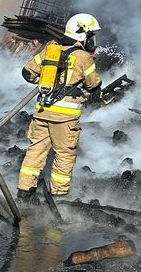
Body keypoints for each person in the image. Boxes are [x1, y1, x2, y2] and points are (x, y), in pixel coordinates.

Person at [16, 12, 103, 199]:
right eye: (91, 36)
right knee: (64, 154)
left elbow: (27, 73)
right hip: (65, 117)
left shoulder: (51, 49)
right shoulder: (82, 56)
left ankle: (24, 191)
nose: (92, 40)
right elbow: (93, 83)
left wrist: (47, 84)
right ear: (82, 34)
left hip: (42, 110)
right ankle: (59, 196)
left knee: (36, 150)